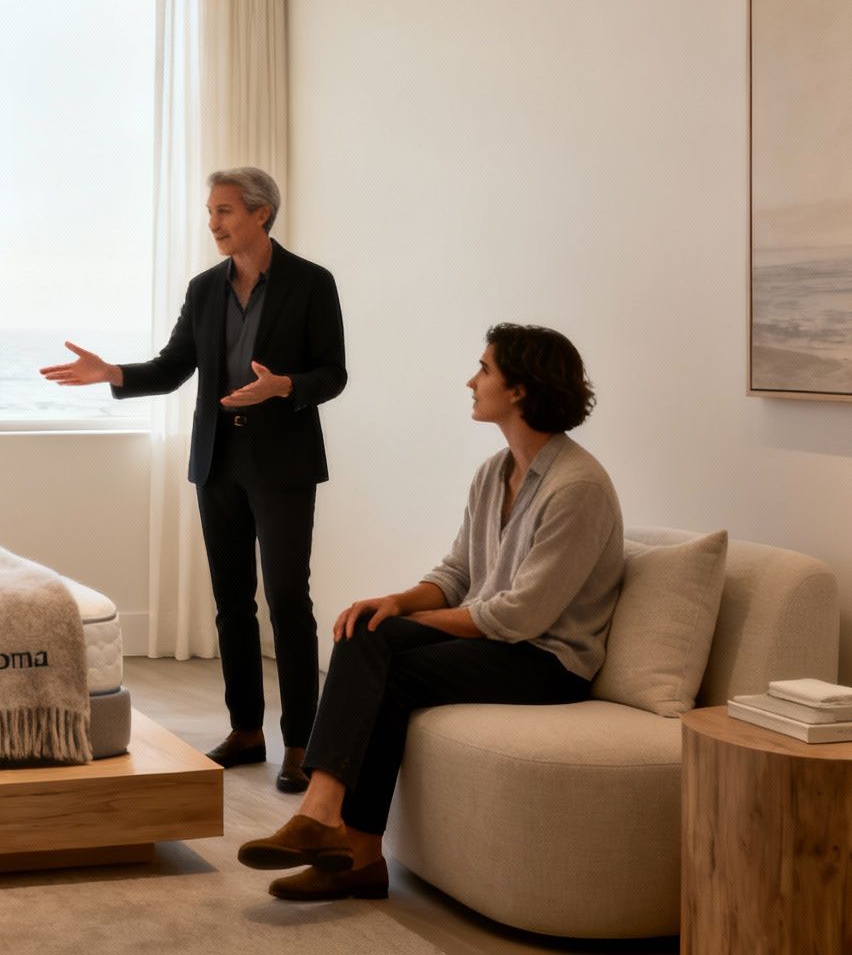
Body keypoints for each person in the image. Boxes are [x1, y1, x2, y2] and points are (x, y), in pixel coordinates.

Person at [234, 323, 623, 901]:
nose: (472, 380)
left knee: (383, 649)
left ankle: (339, 834)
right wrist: (394, 602)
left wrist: (403, 624)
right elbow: (458, 575)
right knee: (366, 633)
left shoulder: (578, 487)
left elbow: (520, 617)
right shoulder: (495, 472)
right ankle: (345, 842)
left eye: (485, 369)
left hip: (548, 664)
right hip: (499, 644)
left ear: (519, 389)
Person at [41, 167, 345, 793]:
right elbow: (175, 366)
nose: (214, 224)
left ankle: (300, 743)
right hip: (217, 463)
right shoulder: (205, 289)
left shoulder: (312, 283)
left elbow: (333, 373)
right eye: (210, 213)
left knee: (288, 603)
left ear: (262, 214)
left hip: (283, 465)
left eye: (225, 211)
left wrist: (283, 387)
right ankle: (246, 731)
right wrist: (114, 373)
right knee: (232, 603)